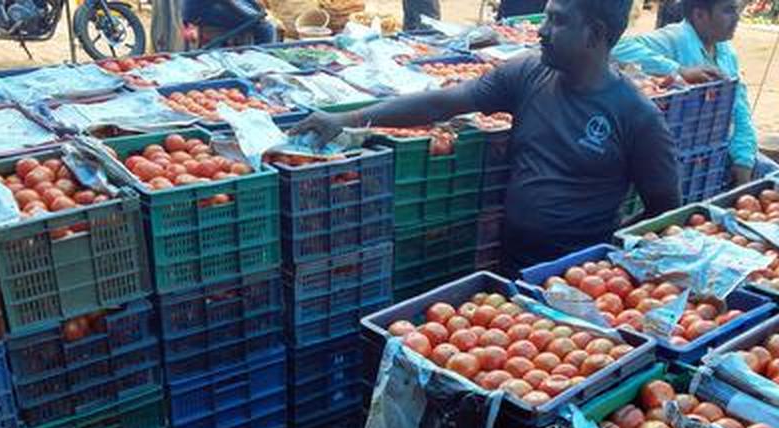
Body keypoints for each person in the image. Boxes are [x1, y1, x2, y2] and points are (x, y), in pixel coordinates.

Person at [292, 0, 682, 273]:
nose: (541, 31)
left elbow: (666, 208)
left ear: (594, 34)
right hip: (510, 261)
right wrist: (351, 118)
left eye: (557, 21)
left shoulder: (637, 117)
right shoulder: (529, 74)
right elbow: (442, 103)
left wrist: (604, 253)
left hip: (579, 276)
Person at [612, 0, 770, 186]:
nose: (737, 18)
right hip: (675, 154)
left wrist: (743, 160)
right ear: (700, 15)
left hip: (711, 150)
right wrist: (679, 70)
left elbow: (740, 108)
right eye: (728, 11)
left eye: (736, 11)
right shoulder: (675, 38)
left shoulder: (726, 53)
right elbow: (617, 48)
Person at [182, 0, 277, 46]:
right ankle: (263, 63)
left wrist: (256, 8)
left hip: (211, 6)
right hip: (202, 12)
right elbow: (229, 3)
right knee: (266, 28)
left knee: (260, 18)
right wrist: (252, 16)